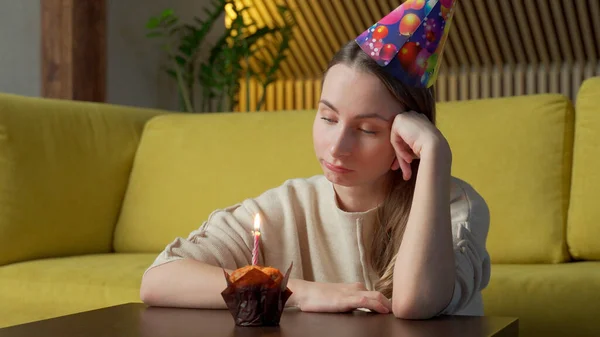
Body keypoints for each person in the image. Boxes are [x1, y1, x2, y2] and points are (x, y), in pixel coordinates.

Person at [140, 1, 491, 319]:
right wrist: (299, 291)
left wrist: (434, 153)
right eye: (328, 118)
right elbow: (159, 279)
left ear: (407, 138)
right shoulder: (290, 205)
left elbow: (415, 303)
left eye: (368, 129)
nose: (337, 147)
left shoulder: (456, 208)